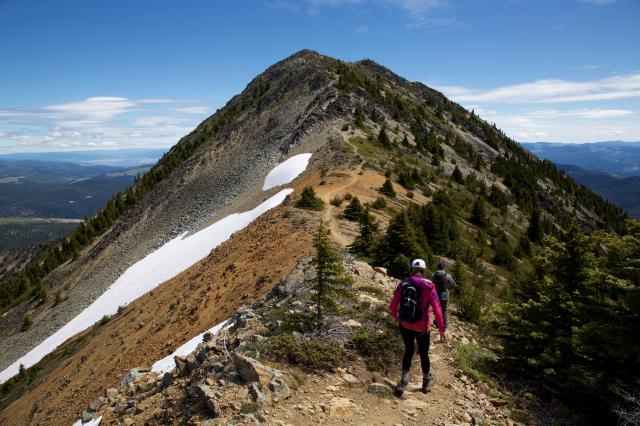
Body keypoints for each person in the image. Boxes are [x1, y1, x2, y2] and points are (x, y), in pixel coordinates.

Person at [389, 258, 445, 396]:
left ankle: (403, 382)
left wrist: (398, 318)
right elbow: (437, 310)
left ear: (412, 269)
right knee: (424, 354)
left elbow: (392, 306)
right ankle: (426, 382)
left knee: (408, 351)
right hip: (422, 328)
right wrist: (442, 330)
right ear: (424, 270)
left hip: (405, 325)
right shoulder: (429, 286)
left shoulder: (403, 283)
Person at [431, 261, 457, 328]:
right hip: (445, 295)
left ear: (437, 267)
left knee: (437, 309)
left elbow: (431, 284)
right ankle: (445, 325)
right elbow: (454, 284)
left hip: (436, 296)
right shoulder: (448, 276)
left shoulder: (434, 275)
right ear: (444, 267)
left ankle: (437, 323)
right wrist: (447, 287)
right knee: (445, 310)